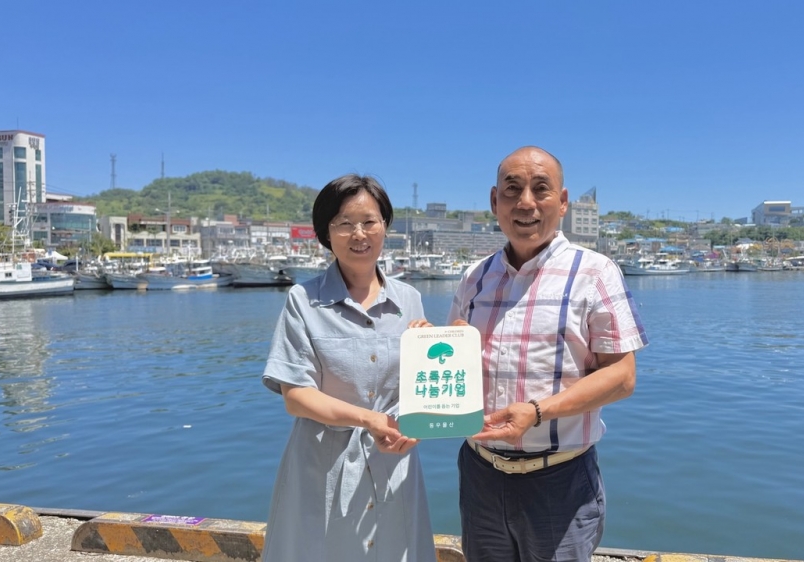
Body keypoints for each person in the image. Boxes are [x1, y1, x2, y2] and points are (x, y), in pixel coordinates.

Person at [448, 146, 648, 562]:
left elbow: (622, 377)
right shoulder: (474, 277)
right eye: (512, 189)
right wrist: (430, 344)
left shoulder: (595, 272)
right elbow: (453, 362)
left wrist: (538, 412)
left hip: (560, 478)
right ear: (494, 201)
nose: (526, 203)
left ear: (562, 202)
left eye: (541, 189)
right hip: (480, 472)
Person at [260, 174, 435, 561]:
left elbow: (421, 389)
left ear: (385, 226)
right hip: (323, 468)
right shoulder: (303, 300)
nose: (359, 234)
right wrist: (368, 419)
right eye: (344, 223)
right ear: (326, 232)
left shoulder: (409, 299)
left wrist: (434, 349)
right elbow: (296, 396)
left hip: (394, 462)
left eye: (370, 221)